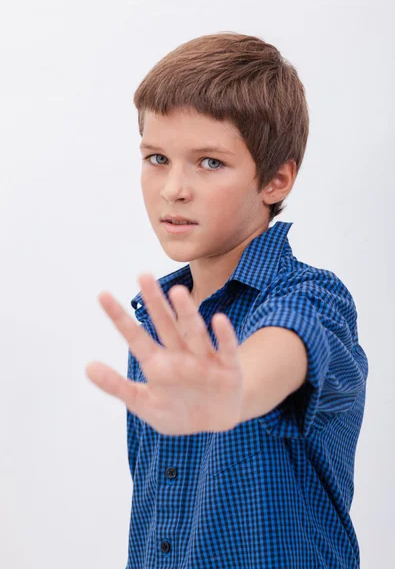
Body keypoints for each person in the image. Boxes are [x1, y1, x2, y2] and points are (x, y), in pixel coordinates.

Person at [86, 32, 368, 569]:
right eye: (157, 158)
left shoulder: (312, 296)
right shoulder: (160, 320)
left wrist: (235, 389)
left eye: (209, 162)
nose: (173, 188)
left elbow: (280, 350)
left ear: (277, 179)